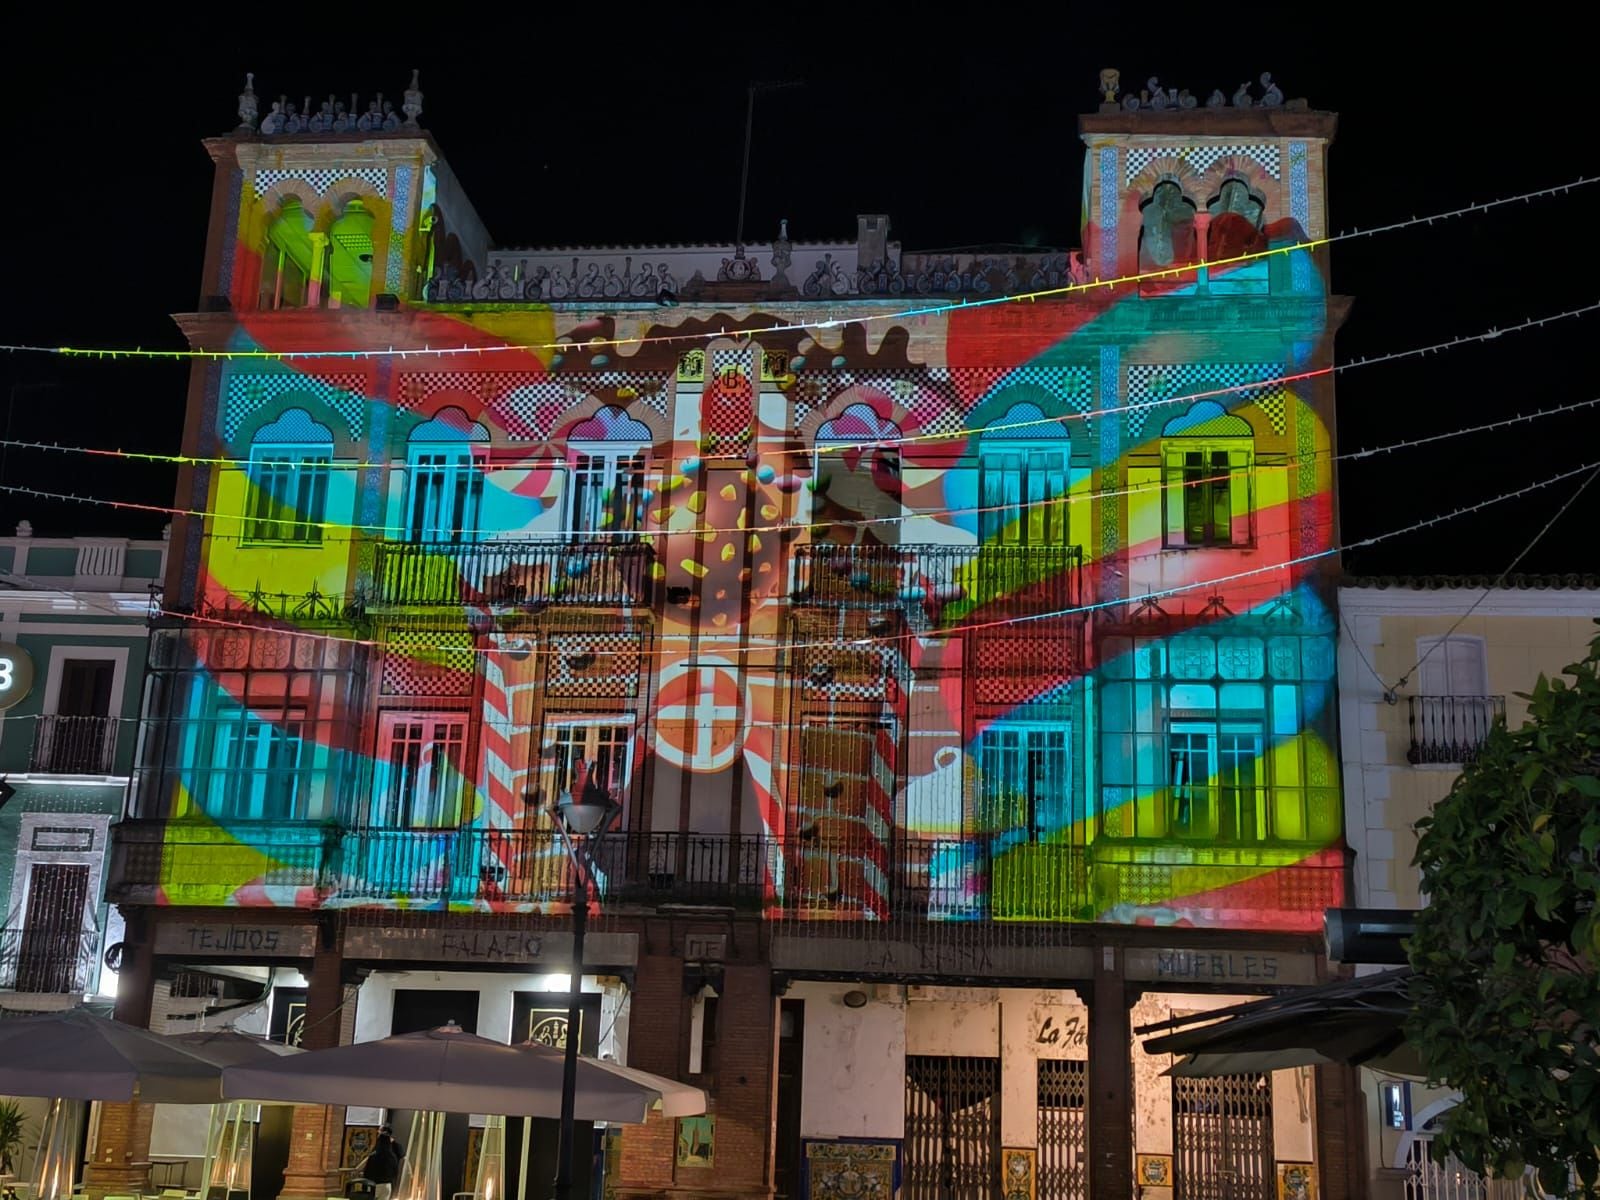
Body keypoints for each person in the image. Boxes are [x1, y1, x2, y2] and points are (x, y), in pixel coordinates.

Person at [361, 1125, 405, 1200]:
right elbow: (397, 1166)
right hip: (387, 1183)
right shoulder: (393, 1154)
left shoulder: (376, 1152)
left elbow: (367, 1169)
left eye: (379, 1131)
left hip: (374, 1183)